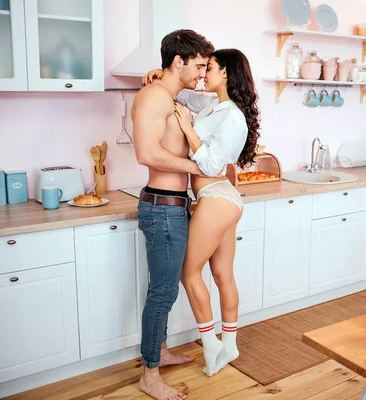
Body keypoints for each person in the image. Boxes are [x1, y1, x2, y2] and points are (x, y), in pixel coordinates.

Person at [142, 48, 261, 377]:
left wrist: (190, 132)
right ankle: (230, 345)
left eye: (209, 68)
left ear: (225, 74)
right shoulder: (211, 104)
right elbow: (180, 94)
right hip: (219, 198)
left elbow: (210, 164)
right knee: (222, 275)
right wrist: (158, 73)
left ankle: (211, 344)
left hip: (216, 195)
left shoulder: (234, 117)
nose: (202, 74)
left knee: (188, 272)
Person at [131, 29, 214, 400]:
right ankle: (149, 376)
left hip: (173, 207)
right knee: (163, 293)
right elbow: (146, 153)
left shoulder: (171, 95)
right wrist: (198, 168)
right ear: (178, 61)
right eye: (198, 65)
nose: (202, 73)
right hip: (162, 209)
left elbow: (220, 94)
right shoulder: (153, 97)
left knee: (165, 290)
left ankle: (159, 352)